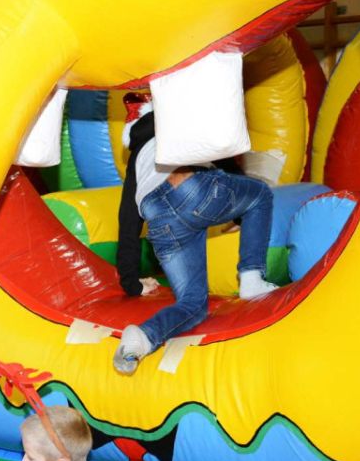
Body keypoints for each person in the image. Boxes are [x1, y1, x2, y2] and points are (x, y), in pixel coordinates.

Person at [113, 93, 279, 375]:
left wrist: (132, 283)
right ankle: (251, 278)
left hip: (157, 215)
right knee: (260, 194)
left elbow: (128, 218)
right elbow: (223, 159)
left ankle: (141, 338)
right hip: (190, 185)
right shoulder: (177, 117)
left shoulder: (138, 157)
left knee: (193, 305)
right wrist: (241, 213)